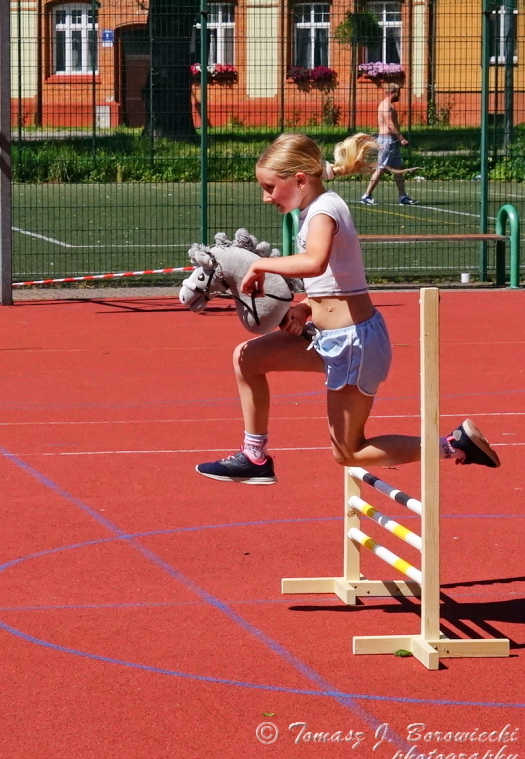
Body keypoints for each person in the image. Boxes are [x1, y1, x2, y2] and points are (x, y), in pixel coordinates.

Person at [195, 131, 500, 484]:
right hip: (331, 339)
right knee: (247, 358)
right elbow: (336, 280)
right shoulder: (313, 210)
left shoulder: (324, 210)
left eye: (270, 187)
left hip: (355, 342)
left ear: (300, 180)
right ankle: (254, 455)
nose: (266, 198)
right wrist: (306, 308)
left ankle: (452, 446)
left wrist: (260, 265)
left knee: (349, 452)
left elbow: (315, 262)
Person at [360, 83, 416, 206]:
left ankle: (403, 196)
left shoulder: (389, 105)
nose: (399, 94)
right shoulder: (386, 106)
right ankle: (366, 195)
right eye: (398, 92)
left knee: (398, 168)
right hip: (387, 141)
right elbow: (390, 125)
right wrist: (402, 139)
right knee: (382, 168)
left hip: (392, 140)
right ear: (393, 92)